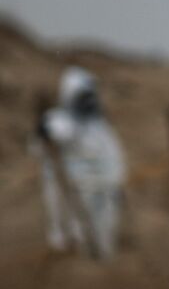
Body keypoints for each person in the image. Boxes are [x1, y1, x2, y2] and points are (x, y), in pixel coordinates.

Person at [34, 67, 127, 259]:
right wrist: (44, 131)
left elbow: (112, 155)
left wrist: (116, 180)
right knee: (63, 210)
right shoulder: (60, 119)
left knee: (98, 223)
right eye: (84, 96)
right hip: (65, 181)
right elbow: (56, 134)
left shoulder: (99, 125)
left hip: (94, 184)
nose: (89, 100)